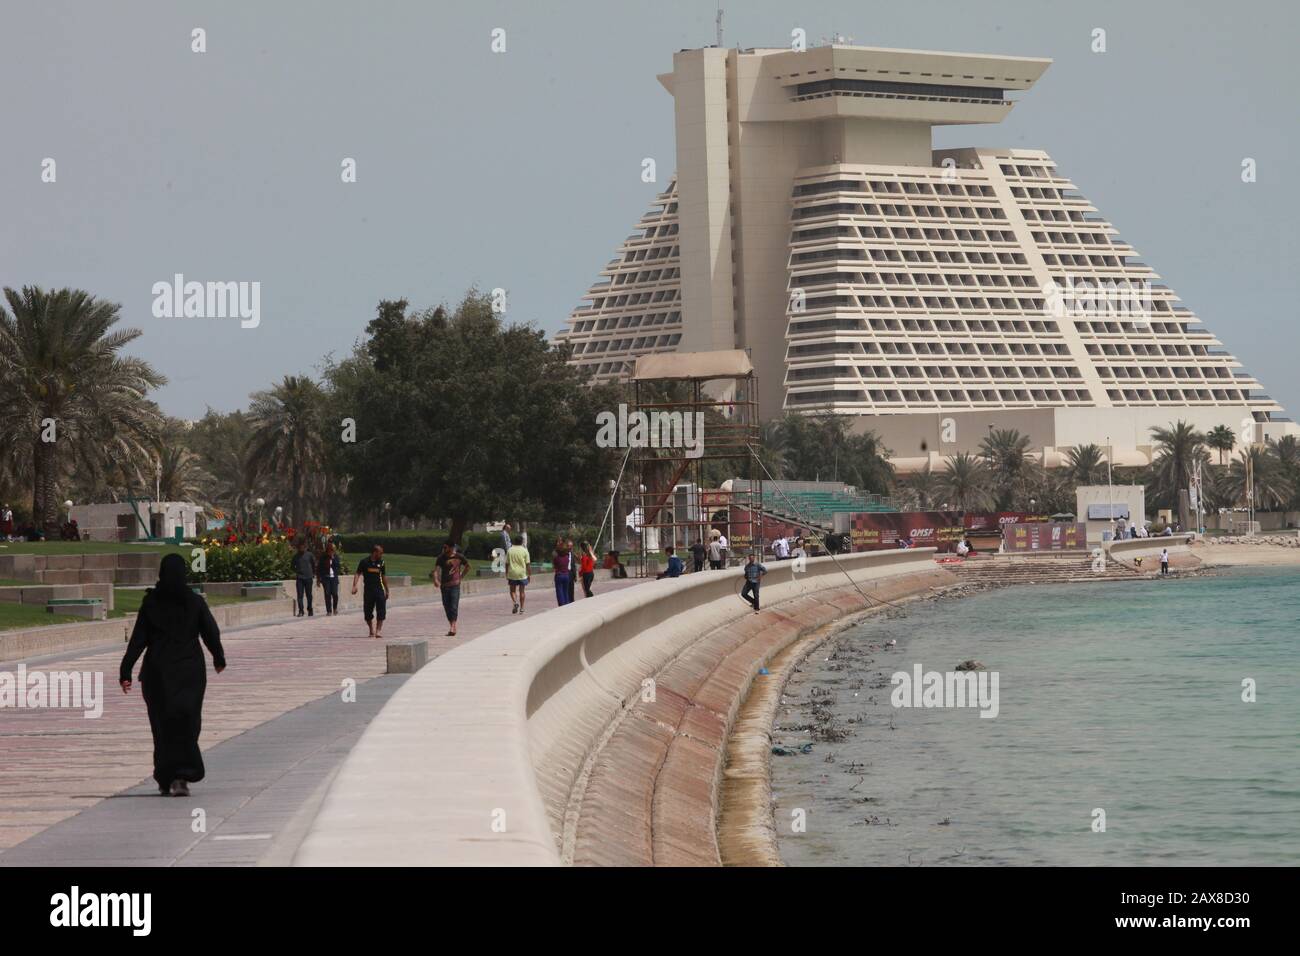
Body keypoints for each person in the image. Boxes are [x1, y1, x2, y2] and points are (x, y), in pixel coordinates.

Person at [119, 554, 226, 797]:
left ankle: (166, 776)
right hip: (189, 673)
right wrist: (218, 658)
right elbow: (211, 631)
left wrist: (126, 670)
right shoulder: (194, 601)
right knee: (187, 722)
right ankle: (182, 775)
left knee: (163, 725)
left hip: (158, 673)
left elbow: (138, 640)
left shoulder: (152, 603)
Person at [433, 541, 472, 637]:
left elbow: (468, 566)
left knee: (454, 606)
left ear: (451, 548)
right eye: (444, 547)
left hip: (455, 585)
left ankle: (452, 626)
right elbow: (436, 570)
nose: (444, 549)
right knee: (447, 606)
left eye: (446, 547)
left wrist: (461, 576)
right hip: (444, 586)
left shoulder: (459, 556)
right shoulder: (441, 558)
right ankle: (452, 626)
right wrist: (436, 580)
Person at [351, 545, 389, 638]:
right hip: (368, 590)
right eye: (380, 553)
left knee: (381, 611)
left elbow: (383, 577)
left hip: (379, 589)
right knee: (367, 612)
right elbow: (358, 573)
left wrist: (387, 590)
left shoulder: (382, 562)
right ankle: (371, 629)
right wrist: (354, 585)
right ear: (375, 552)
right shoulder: (364, 562)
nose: (382, 555)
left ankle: (378, 631)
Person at [506, 534, 531, 614]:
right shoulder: (524, 551)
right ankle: (522, 608)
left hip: (512, 573)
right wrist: (529, 574)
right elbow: (527, 564)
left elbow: (507, 563)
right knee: (522, 591)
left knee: (512, 591)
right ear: (522, 542)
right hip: (522, 574)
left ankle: (515, 602)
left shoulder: (510, 550)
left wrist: (506, 573)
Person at [317, 541, 341, 615]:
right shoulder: (323, 557)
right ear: (327, 550)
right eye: (330, 551)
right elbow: (319, 569)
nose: (331, 552)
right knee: (327, 594)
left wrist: (333, 558)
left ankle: (335, 608)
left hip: (334, 578)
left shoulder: (335, 557)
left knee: (335, 594)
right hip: (326, 578)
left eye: (332, 551)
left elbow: (338, 567)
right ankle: (329, 611)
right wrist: (318, 579)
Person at [293, 541, 315, 617]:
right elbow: (292, 566)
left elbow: (313, 564)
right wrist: (297, 572)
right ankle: (301, 611)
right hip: (300, 578)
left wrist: (313, 574)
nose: (301, 548)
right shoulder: (296, 556)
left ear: (305, 547)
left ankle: (310, 609)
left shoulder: (309, 555)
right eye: (300, 547)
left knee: (309, 595)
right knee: (300, 595)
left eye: (303, 546)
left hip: (308, 577)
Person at [552, 538, 573, 607]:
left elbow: (554, 567)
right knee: (565, 591)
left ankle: (562, 605)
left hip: (559, 575)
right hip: (566, 575)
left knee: (559, 591)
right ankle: (566, 604)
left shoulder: (556, 558)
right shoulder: (567, 557)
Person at [565, 537, 578, 604]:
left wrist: (575, 576)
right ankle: (566, 602)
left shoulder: (572, 554)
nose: (570, 547)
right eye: (568, 546)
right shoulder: (563, 554)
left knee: (571, 589)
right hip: (565, 573)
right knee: (566, 589)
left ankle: (572, 602)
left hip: (571, 573)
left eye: (571, 546)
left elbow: (574, 566)